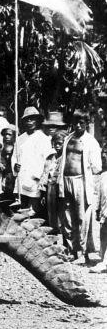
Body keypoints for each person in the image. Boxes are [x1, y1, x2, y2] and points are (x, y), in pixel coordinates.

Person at [56, 110, 102, 263]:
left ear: (86, 124)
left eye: (81, 123)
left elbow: (97, 167)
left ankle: (81, 253)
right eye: (76, 122)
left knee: (81, 218)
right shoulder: (68, 138)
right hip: (65, 180)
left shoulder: (91, 142)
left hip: (81, 181)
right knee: (67, 218)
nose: (78, 125)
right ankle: (70, 250)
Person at [12, 107, 53, 214]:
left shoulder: (44, 139)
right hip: (21, 178)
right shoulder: (19, 139)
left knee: (33, 211)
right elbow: (14, 157)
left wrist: (41, 179)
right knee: (21, 209)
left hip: (35, 180)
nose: (30, 122)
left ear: (38, 120)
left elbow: (48, 162)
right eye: (27, 119)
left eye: (33, 119)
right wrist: (15, 166)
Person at [38, 131, 67, 232]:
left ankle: (64, 237)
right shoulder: (50, 158)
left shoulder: (66, 158)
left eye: (60, 143)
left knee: (63, 214)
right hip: (51, 188)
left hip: (62, 188)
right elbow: (45, 174)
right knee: (52, 213)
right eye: (55, 143)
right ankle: (54, 233)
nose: (57, 145)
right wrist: (42, 192)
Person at [88, 144, 107, 274]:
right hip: (104, 213)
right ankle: (103, 257)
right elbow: (101, 196)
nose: (105, 156)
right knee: (103, 233)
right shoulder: (104, 176)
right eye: (104, 153)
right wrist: (98, 211)